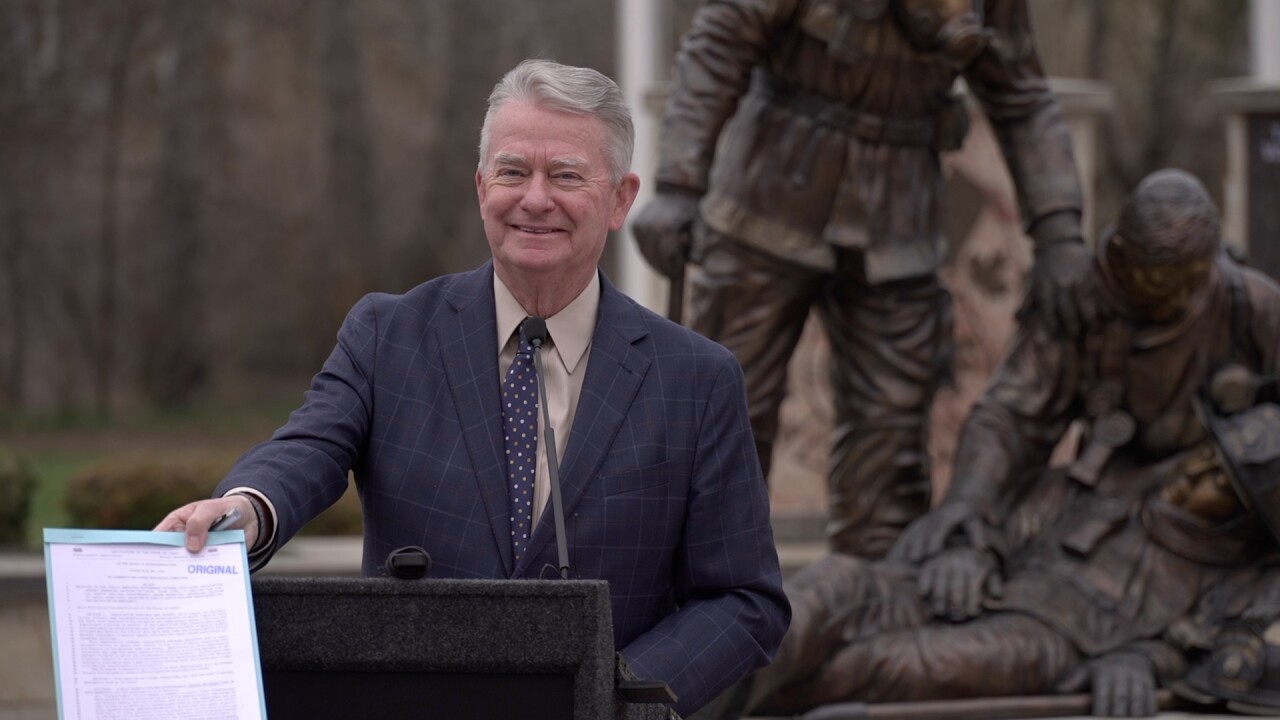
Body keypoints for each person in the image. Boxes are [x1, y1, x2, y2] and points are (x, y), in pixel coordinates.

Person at [154, 58, 790, 718]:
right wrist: (246, 510)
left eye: (566, 175)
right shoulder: (388, 334)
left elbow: (744, 600)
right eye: (513, 172)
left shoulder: (697, 379)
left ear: (620, 199)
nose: (535, 199)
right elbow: (308, 448)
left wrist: (617, 691)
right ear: (482, 186)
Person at [712, 169, 1280, 718]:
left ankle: (705, 697)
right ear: (1121, 255)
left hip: (1068, 630)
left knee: (899, 667)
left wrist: (1154, 657)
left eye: (1186, 285)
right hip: (1014, 565)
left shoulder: (1253, 315)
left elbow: (1235, 637)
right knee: (836, 586)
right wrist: (968, 533)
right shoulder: (1080, 464)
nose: (1169, 300)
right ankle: (689, 689)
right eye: (1151, 283)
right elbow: (1011, 418)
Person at [632, 0, 1096, 558]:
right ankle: (704, 588)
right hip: (766, 199)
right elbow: (721, 43)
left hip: (900, 220)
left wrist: (1060, 230)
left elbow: (1021, 95)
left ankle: (868, 597)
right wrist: (678, 185)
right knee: (724, 416)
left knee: (891, 447)